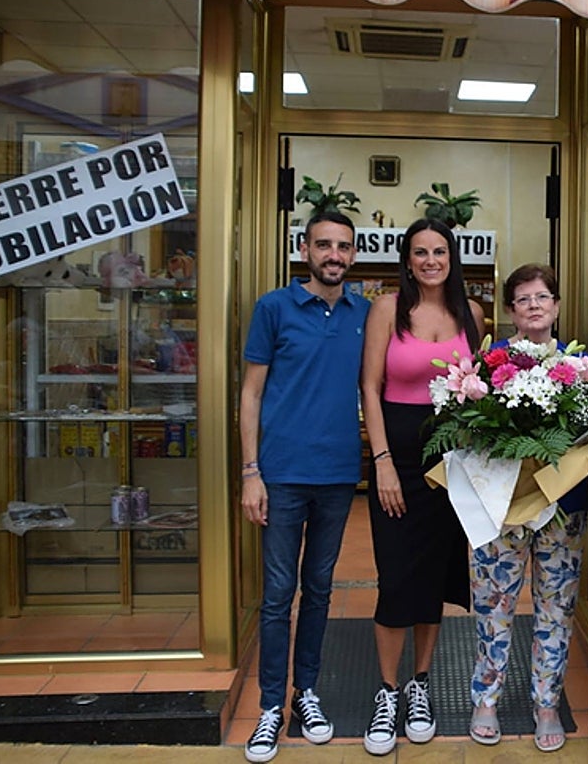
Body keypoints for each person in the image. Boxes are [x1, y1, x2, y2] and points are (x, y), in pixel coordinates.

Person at [239, 211, 369, 763]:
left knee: (319, 591)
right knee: (276, 595)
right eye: (323, 245)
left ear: (353, 255)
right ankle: (270, 706)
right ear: (304, 248)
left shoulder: (366, 312)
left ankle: (305, 694)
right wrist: (250, 472)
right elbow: (250, 394)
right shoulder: (274, 308)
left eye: (342, 246)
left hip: (338, 475)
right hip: (282, 474)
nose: (333, 255)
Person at [359, 218, 484, 756]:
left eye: (439, 251)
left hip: (450, 463)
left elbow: (481, 387)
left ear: (451, 257)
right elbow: (369, 385)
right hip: (398, 462)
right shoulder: (387, 309)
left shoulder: (472, 314)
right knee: (395, 577)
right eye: (420, 252)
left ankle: (421, 685)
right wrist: (381, 460)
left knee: (434, 577)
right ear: (406, 260)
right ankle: (387, 692)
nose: (430, 260)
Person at [468, 263, 587, 753]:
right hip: (503, 506)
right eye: (523, 299)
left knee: (555, 608)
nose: (534, 306)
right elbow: (470, 434)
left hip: (564, 504)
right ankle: (486, 699)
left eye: (542, 297)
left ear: (556, 305)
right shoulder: (489, 365)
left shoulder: (581, 368)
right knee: (493, 604)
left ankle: (546, 703)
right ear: (511, 310)